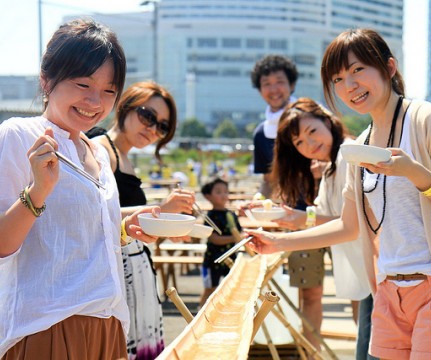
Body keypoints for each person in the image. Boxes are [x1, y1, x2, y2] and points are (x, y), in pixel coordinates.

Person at [247, 28, 431, 359]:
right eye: (339, 79)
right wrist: (279, 243)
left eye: (358, 70)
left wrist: (415, 172)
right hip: (388, 292)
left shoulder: (427, 119)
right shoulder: (359, 146)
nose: (350, 86)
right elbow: (348, 225)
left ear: (388, 68)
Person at [0, 19, 161, 358]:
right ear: (46, 80)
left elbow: (72, 235)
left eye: (108, 90)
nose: (94, 101)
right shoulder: (20, 135)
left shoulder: (98, 152)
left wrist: (123, 230)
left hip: (111, 323)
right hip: (49, 324)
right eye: (83, 84)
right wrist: (38, 191)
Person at [86, 81, 195, 359]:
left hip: (133, 269)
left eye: (162, 126)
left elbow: (126, 222)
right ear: (125, 106)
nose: (152, 128)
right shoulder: (100, 148)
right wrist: (159, 209)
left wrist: (164, 224)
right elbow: (91, 214)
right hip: (115, 273)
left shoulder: (123, 155)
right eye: (148, 116)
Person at [269, 97, 370, 355]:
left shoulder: (350, 155)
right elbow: (328, 220)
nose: (309, 144)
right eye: (299, 142)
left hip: (375, 273)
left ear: (327, 120)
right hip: (362, 274)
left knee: (371, 344)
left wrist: (299, 221)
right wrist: (289, 216)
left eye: (312, 131)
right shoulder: (331, 169)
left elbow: (351, 223)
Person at [251, 54, 298, 198]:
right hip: (289, 212)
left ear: (292, 85)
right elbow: (269, 181)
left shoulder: (311, 119)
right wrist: (256, 201)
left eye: (279, 81)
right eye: (266, 84)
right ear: (260, 90)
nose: (274, 89)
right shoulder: (261, 134)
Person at [198, 178, 243, 307]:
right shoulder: (210, 216)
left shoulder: (231, 215)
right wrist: (235, 238)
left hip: (232, 258)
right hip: (212, 260)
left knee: (231, 288)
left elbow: (240, 233)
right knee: (210, 289)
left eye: (225, 191)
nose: (223, 195)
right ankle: (199, 314)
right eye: (218, 192)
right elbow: (215, 239)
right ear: (208, 197)